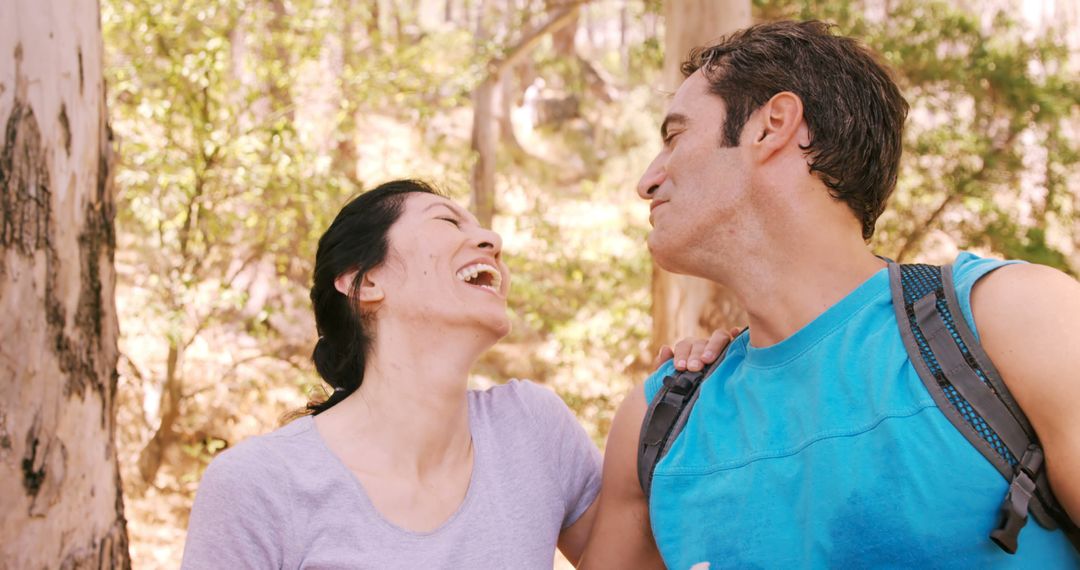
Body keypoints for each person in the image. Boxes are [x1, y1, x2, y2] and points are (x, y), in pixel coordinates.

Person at [581, 20, 1080, 567]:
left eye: (675, 136)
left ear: (772, 126)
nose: (647, 181)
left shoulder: (1013, 319)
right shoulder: (658, 422)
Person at [181, 179, 727, 568]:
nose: (492, 239)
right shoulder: (257, 486)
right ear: (365, 283)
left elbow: (630, 557)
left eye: (483, 228)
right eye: (447, 221)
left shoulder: (532, 429)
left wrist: (665, 419)